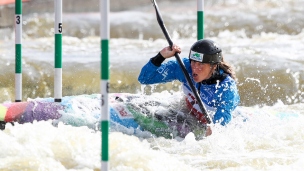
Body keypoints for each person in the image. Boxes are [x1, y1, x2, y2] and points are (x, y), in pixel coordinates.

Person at [138, 39, 240, 137]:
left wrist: (211, 133)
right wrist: (161, 56)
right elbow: (144, 78)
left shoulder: (226, 88)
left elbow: (218, 129)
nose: (195, 68)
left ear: (213, 66)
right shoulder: (185, 68)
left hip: (206, 125)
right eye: (193, 62)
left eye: (201, 64)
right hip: (186, 112)